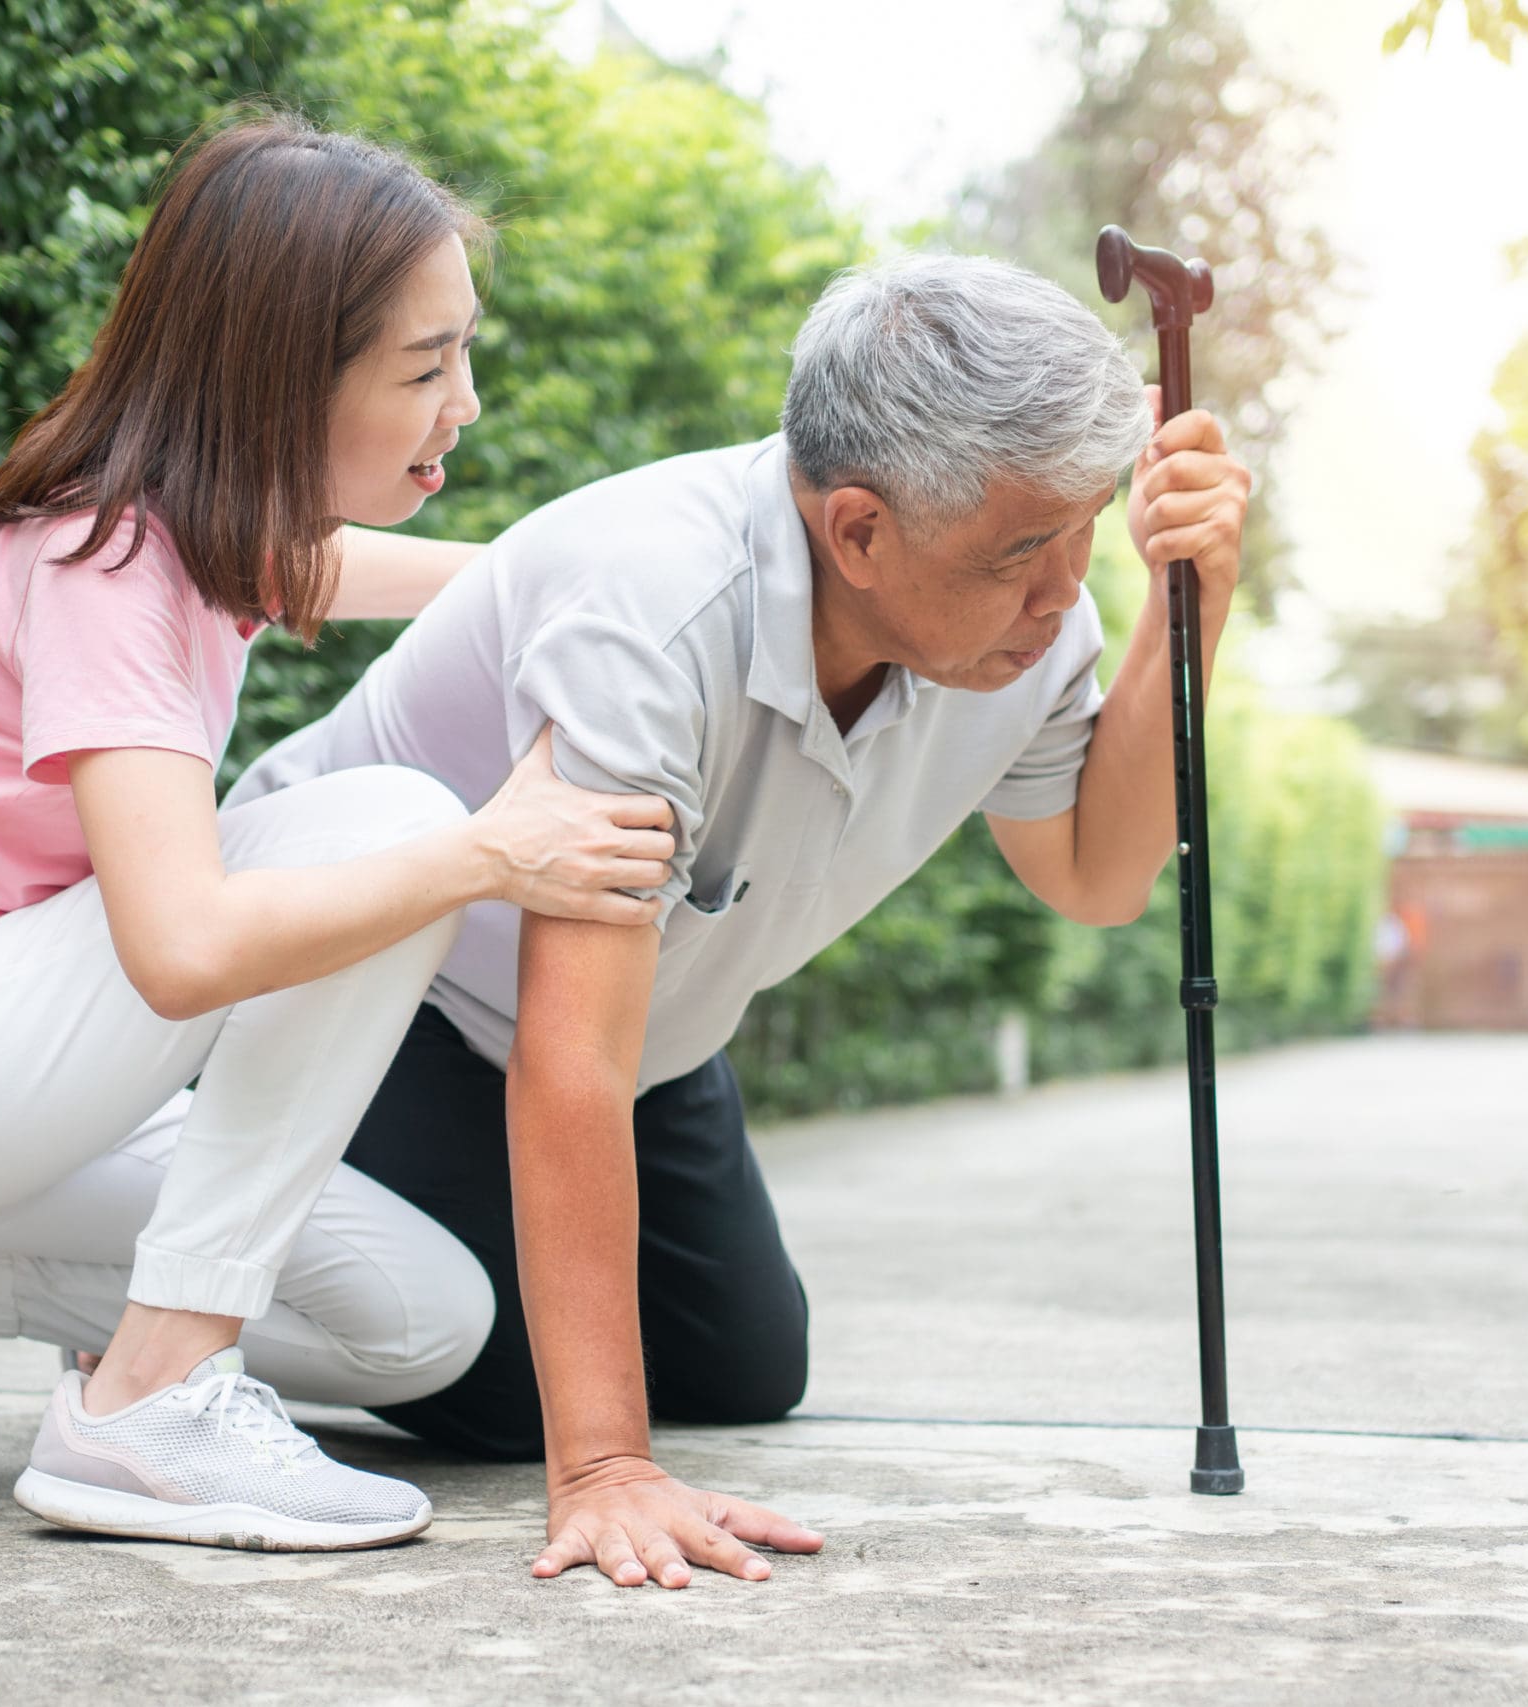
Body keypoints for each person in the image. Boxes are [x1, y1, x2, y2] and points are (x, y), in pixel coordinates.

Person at [0, 115, 676, 1553]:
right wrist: (489, 854)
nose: (464, 402)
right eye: (423, 367)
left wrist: (603, 573)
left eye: (465, 351)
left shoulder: (202, 529)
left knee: (431, 1328)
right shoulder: (107, 554)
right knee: (392, 823)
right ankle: (149, 1401)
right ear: (281, 377)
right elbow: (183, 948)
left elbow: (410, 579)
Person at [230, 253, 1254, 1586]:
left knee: (742, 1369)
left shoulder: (1022, 622)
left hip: (644, 1025)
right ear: (861, 533)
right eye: (1019, 555)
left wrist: (1192, 604)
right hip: (366, 987)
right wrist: (603, 1470)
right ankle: (131, 1251)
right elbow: (569, 1055)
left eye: (1090, 530)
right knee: (498, 1386)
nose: (1066, 594)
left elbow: (1098, 878)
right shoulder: (653, 609)